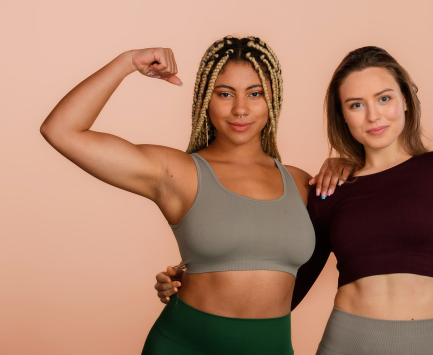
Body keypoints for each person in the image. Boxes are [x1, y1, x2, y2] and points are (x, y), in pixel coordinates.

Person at [156, 46, 433, 354]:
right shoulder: (331, 188)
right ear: (343, 115)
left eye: (384, 99)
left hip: (426, 344)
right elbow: (286, 285)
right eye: (356, 105)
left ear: (406, 100)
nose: (374, 116)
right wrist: (196, 281)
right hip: (345, 342)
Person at [40, 36, 348, 355]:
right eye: (225, 94)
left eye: (255, 93)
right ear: (205, 99)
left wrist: (349, 163)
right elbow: (61, 130)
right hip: (184, 345)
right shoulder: (178, 172)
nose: (240, 109)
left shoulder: (302, 184)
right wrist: (128, 62)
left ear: (274, 99)